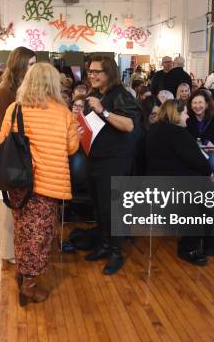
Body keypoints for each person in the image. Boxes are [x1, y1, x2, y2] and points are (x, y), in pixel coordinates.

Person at [0, 62, 79, 306]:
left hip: (19, 182)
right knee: (40, 235)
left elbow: (4, 139)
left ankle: (23, 273)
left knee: (23, 230)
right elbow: (72, 147)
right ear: (53, 84)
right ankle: (29, 287)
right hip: (47, 183)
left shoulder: (15, 109)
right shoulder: (63, 112)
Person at [146, 100, 214, 265]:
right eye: (185, 113)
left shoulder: (154, 130)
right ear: (177, 114)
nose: (187, 116)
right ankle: (194, 247)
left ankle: (210, 242)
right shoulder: (177, 132)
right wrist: (209, 174)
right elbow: (199, 161)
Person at [84, 56, 140, 275]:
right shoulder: (95, 93)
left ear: (110, 73)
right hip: (96, 158)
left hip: (115, 160)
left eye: (98, 72)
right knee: (98, 206)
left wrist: (103, 111)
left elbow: (129, 125)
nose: (93, 75)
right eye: (90, 72)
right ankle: (105, 245)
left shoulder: (121, 95)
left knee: (113, 209)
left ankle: (116, 252)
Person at [0, 47, 37, 265]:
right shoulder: (5, 91)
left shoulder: (19, 88)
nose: (34, 69)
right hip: (8, 152)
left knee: (16, 203)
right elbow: (2, 130)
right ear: (20, 66)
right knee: (6, 204)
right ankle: (8, 252)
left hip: (17, 152)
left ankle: (16, 250)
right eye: (31, 64)